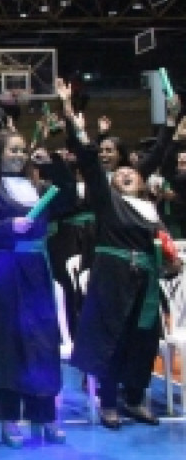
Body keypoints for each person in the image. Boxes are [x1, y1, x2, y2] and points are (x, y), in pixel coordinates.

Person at [58, 78, 181, 429]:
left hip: (144, 281)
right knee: (111, 338)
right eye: (121, 172)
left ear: (142, 181)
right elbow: (90, 161)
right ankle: (108, 401)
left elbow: (158, 155)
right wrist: (70, 115)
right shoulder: (107, 202)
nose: (126, 173)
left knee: (144, 339)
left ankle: (134, 399)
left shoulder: (148, 209)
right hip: (112, 278)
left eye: (132, 171)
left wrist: (170, 124)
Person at [0, 133, 76, 446]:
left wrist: (53, 165)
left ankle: (44, 414)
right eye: (13, 149)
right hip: (4, 269)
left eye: (22, 150)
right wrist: (9, 227)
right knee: (8, 343)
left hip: (37, 269)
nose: (20, 155)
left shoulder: (39, 189)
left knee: (42, 341)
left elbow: (70, 201)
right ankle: (9, 417)